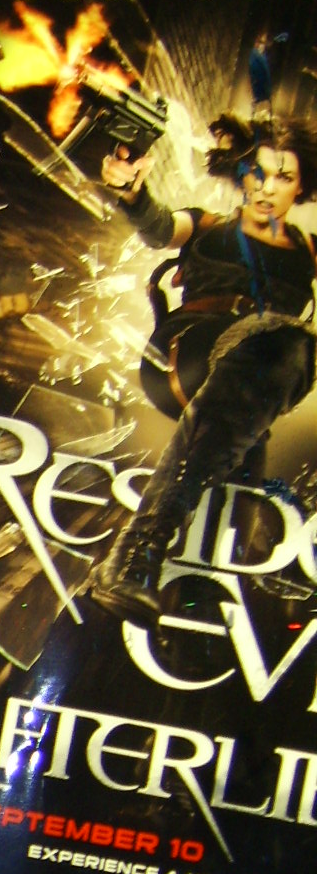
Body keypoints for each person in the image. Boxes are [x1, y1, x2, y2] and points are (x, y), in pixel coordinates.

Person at [90, 111, 317, 619]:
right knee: (285, 347)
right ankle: (143, 543)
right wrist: (131, 192)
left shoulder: (310, 254)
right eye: (258, 171)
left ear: (302, 188)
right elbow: (158, 227)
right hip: (183, 355)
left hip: (249, 379)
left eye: (283, 177)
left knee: (293, 350)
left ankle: (135, 563)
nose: (265, 187)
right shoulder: (209, 226)